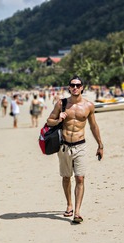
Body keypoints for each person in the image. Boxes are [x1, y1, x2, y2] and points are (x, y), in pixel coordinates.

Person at [46, 75, 104, 224]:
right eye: (73, 85)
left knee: (80, 178)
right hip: (64, 146)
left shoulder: (89, 106)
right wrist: (59, 119)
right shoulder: (62, 104)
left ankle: (77, 212)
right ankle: (69, 205)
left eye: (78, 85)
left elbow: (93, 126)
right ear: (69, 87)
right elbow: (49, 121)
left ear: (82, 87)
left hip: (80, 146)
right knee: (66, 177)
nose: (75, 88)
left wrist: (100, 145)